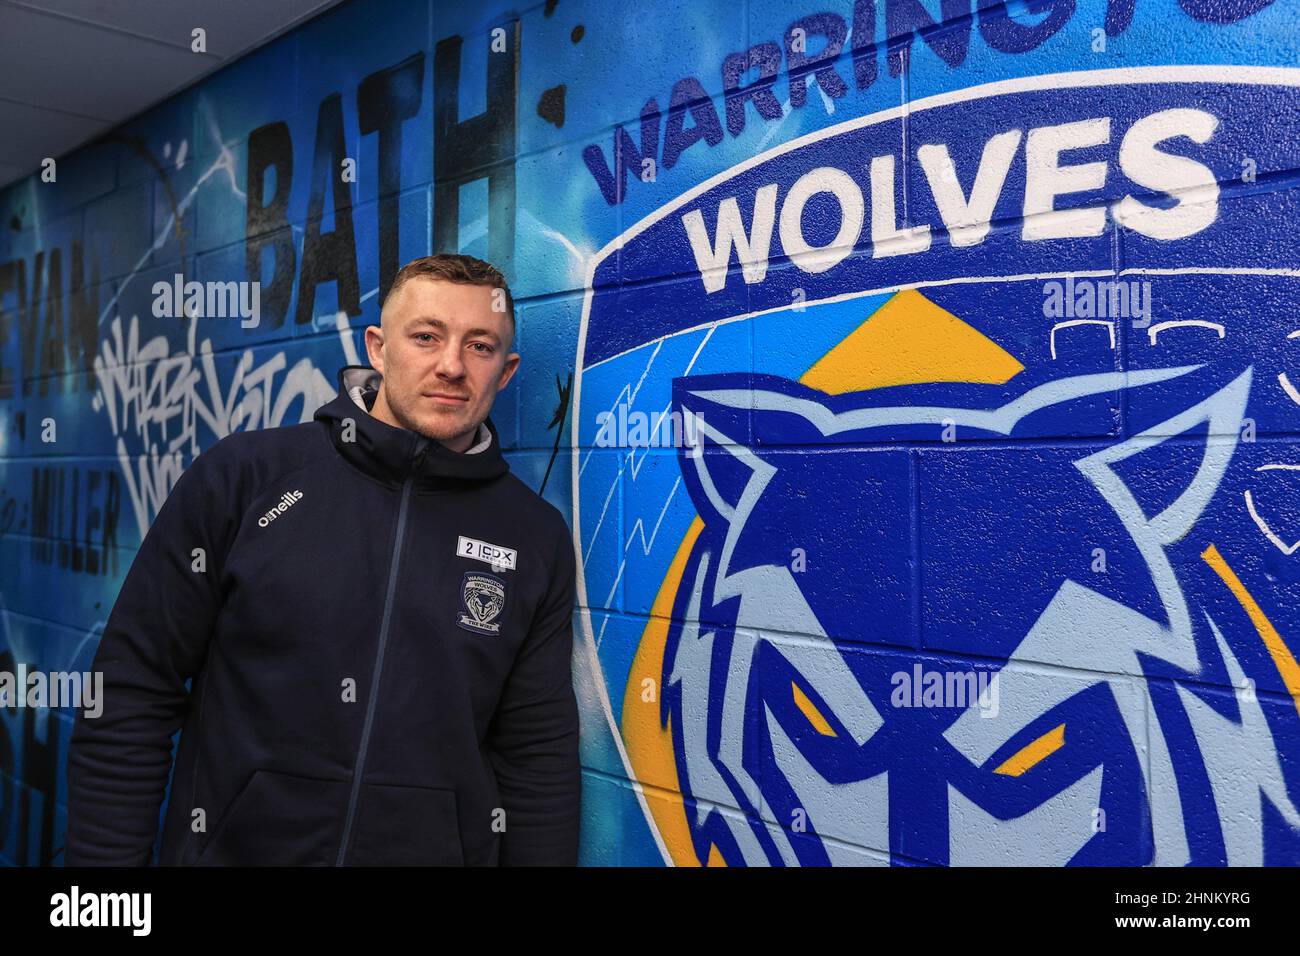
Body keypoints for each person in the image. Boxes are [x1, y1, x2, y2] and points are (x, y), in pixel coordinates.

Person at [65, 253, 581, 866]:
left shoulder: (534, 537)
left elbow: (536, 756)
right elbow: (131, 689)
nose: (451, 366)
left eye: (480, 346)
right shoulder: (245, 479)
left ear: (506, 370)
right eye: (426, 337)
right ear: (379, 347)